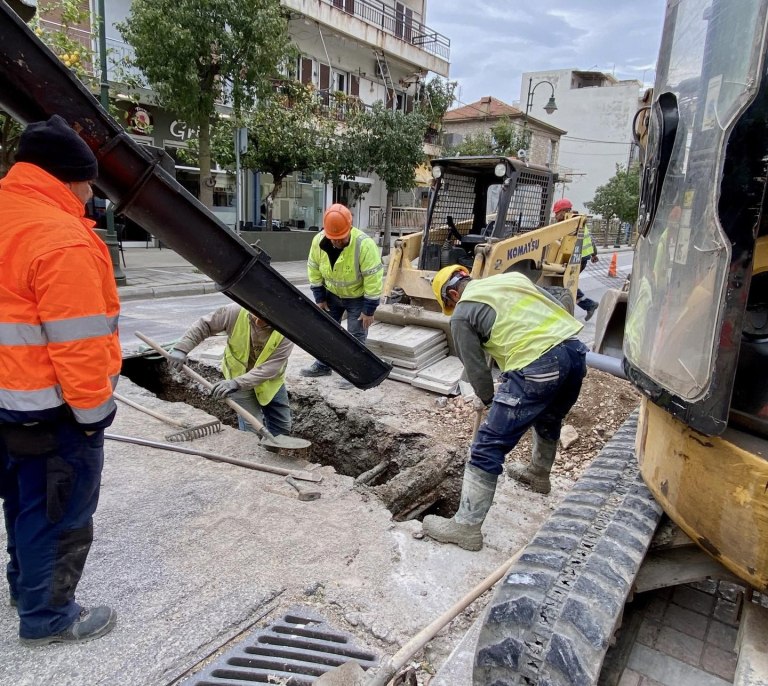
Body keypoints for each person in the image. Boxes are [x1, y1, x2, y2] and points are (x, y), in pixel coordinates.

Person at [0, 115, 121, 644]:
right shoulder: (61, 237)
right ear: (68, 178)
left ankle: (24, 587)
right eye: (88, 181)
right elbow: (80, 344)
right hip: (53, 412)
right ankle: (49, 616)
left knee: (21, 500)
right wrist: (95, 418)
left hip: (7, 401)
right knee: (58, 511)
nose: (91, 192)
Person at [421, 266, 588, 551]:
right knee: (549, 416)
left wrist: (486, 399)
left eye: (449, 304)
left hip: (539, 364)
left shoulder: (462, 312)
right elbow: (558, 305)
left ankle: (466, 528)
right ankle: (538, 474)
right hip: (574, 353)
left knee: (488, 445)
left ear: (452, 294)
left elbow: (475, 367)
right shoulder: (511, 279)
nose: (452, 309)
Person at [168, 304, 294, 438]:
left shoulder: (288, 329)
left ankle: (272, 453)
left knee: (282, 426)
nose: (257, 321)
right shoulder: (235, 312)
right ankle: (253, 455)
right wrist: (181, 349)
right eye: (255, 315)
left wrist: (236, 383)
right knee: (251, 429)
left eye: (264, 320)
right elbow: (205, 325)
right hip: (238, 374)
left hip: (270, 382)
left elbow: (271, 368)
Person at [301, 203, 384, 377]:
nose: (337, 241)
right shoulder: (318, 241)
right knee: (326, 331)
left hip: (357, 298)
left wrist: (369, 310)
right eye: (334, 238)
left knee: (355, 336)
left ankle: (354, 371)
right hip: (331, 295)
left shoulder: (364, 245)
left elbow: (373, 279)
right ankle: (323, 365)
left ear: (350, 228)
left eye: (342, 237)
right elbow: (313, 269)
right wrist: (319, 298)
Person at [553, 198, 599, 321]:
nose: (556, 216)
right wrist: (594, 254)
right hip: (581, 258)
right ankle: (589, 305)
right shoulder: (578, 220)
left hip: (578, 259)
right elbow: (591, 239)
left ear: (563, 211)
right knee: (568, 283)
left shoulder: (569, 223)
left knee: (566, 283)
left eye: (557, 213)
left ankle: (589, 305)